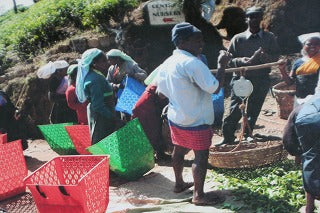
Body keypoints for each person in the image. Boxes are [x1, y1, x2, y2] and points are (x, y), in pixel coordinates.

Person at [156, 22, 231, 205]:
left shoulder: (167, 62)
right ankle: (199, 195)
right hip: (197, 119)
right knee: (201, 156)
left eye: (202, 40)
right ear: (182, 42)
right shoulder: (193, 63)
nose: (202, 43)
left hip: (176, 117)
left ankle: (179, 184)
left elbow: (160, 93)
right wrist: (222, 65)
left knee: (179, 150)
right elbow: (214, 88)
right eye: (197, 40)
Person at [218, 6, 280, 145]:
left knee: (254, 108)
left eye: (257, 16)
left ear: (261, 18)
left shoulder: (269, 38)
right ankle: (228, 137)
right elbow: (228, 61)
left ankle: (247, 135)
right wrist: (241, 61)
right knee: (234, 109)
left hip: (261, 79)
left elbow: (276, 57)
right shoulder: (238, 39)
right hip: (241, 79)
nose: (254, 20)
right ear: (246, 19)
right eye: (251, 17)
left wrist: (267, 58)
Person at [283, 94, 320, 213]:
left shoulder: (300, 108)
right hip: (310, 120)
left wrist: (298, 154)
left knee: (310, 162)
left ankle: (309, 209)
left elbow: (287, 140)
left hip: (307, 121)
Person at [76, 48, 121, 144]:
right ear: (94, 63)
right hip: (101, 117)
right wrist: (113, 118)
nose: (107, 63)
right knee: (102, 141)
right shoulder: (95, 80)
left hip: (102, 114)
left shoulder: (96, 75)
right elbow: (98, 105)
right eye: (103, 61)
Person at [279, 32, 320, 107]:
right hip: (300, 99)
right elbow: (290, 82)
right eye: (309, 44)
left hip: (317, 100)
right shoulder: (298, 62)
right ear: (303, 46)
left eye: (316, 44)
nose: (312, 46)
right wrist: (282, 70)